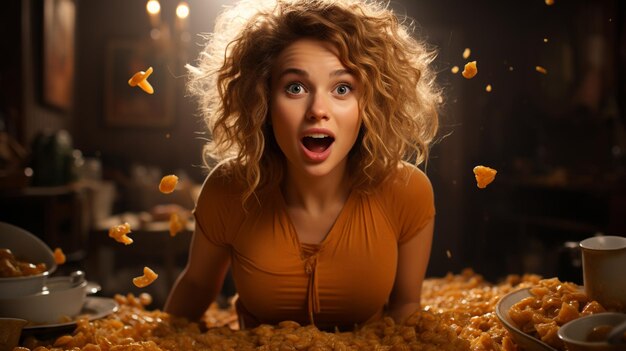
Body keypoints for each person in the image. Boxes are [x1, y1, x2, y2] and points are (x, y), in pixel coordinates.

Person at [164, 0, 442, 332]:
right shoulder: (228, 189)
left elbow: (406, 306)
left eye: (342, 88)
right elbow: (194, 288)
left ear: (369, 103)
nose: (317, 110)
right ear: (263, 101)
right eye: (295, 88)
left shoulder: (406, 190)